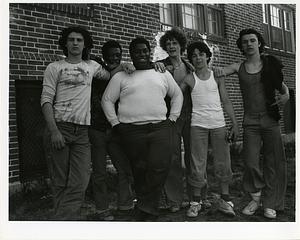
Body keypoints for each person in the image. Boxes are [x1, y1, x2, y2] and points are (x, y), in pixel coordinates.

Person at [101, 37, 183, 221]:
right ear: (131, 54)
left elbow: (177, 95)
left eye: (145, 50)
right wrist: (115, 123)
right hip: (131, 131)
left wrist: (173, 119)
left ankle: (146, 207)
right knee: (139, 169)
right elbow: (107, 100)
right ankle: (148, 209)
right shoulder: (121, 76)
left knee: (159, 166)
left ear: (149, 52)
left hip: (160, 128)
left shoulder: (161, 73)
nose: (142, 54)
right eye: (137, 51)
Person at [214, 28, 289, 219]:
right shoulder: (238, 67)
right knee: (250, 162)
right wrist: (209, 68)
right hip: (250, 122)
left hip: (270, 120)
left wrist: (286, 95)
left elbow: (282, 87)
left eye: (252, 40)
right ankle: (256, 198)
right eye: (245, 41)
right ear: (241, 45)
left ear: (259, 43)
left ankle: (271, 203)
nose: (248, 44)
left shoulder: (269, 65)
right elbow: (219, 71)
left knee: (274, 162)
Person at [41, 26, 111, 220]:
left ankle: (62, 222)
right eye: (71, 39)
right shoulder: (54, 67)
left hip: (82, 131)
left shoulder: (92, 66)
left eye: (79, 40)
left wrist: (126, 66)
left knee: (80, 180)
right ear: (65, 43)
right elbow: (46, 100)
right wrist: (53, 130)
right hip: (60, 126)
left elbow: (110, 75)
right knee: (60, 182)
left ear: (85, 44)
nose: (75, 43)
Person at [181, 41, 239, 217]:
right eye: (194, 55)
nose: (198, 58)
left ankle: (225, 200)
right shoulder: (190, 79)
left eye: (201, 54)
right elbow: (175, 94)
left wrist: (234, 123)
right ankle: (196, 202)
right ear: (191, 59)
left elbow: (226, 100)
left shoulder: (217, 76)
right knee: (198, 163)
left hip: (218, 124)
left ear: (207, 56)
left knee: (223, 161)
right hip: (198, 125)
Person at [88, 40, 135, 221]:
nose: (115, 58)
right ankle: (102, 209)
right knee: (99, 172)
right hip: (97, 128)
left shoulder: (124, 73)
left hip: (116, 128)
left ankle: (126, 205)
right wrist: (122, 67)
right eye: (111, 55)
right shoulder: (96, 68)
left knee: (124, 168)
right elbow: (107, 75)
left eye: (118, 55)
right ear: (104, 55)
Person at [158, 28, 194, 212]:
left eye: (175, 43)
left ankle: (196, 198)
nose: (171, 46)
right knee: (172, 158)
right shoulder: (160, 66)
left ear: (181, 45)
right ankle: (174, 200)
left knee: (193, 157)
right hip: (170, 117)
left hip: (190, 115)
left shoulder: (190, 66)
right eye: (168, 43)